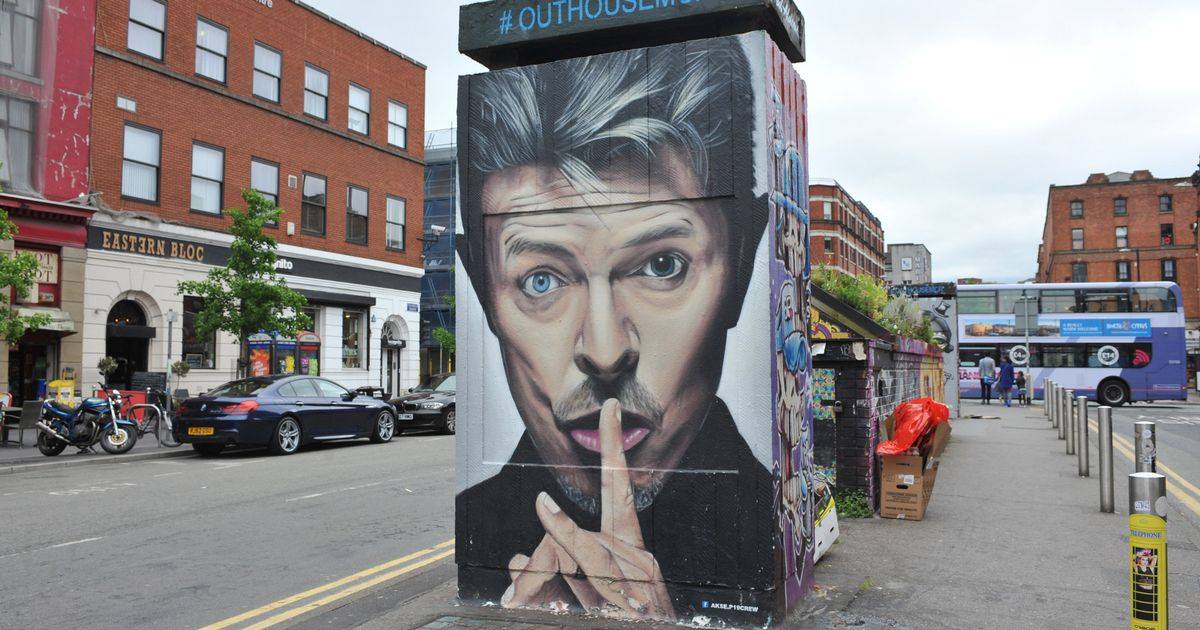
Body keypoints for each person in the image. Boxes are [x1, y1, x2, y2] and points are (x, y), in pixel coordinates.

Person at [455, 38, 775, 621]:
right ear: (483, 290)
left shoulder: (774, 526)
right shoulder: (479, 525)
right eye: (541, 280)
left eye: (662, 265)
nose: (604, 352)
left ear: (743, 264)